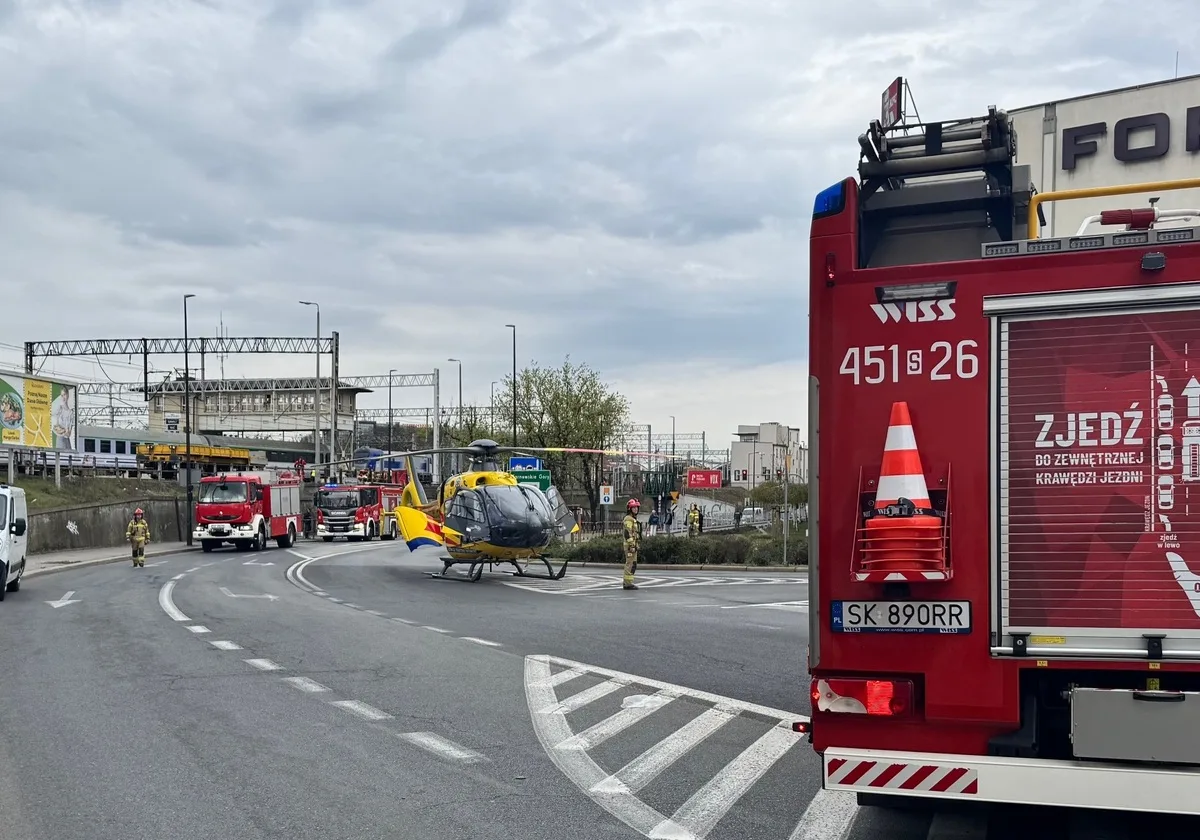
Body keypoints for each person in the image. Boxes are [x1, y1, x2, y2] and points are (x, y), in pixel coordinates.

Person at [622, 498, 642, 591]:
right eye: (634, 508)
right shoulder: (628, 519)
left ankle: (629, 582)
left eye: (637, 508)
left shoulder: (632, 519)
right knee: (630, 564)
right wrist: (632, 545)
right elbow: (627, 533)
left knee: (633, 564)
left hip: (633, 546)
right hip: (630, 546)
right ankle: (627, 584)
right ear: (629, 509)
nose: (636, 509)